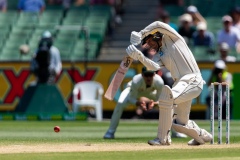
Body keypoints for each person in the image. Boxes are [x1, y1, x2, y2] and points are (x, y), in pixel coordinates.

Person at [126, 21, 212, 146]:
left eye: (149, 41)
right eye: (147, 44)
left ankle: (162, 139)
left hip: (192, 79)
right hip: (181, 84)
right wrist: (139, 56)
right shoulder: (159, 54)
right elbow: (153, 67)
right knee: (179, 123)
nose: (149, 46)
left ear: (155, 36)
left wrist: (141, 33)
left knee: (167, 98)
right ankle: (202, 136)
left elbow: (158, 24)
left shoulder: (172, 37)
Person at [103, 67, 187, 139]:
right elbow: (132, 98)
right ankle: (110, 132)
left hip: (151, 92)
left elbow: (160, 100)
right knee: (120, 103)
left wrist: (154, 103)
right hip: (133, 90)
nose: (148, 78)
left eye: (150, 75)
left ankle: (175, 132)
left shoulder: (159, 81)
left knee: (168, 104)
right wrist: (139, 103)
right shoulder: (136, 81)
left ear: (154, 75)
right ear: (142, 75)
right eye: (146, 75)